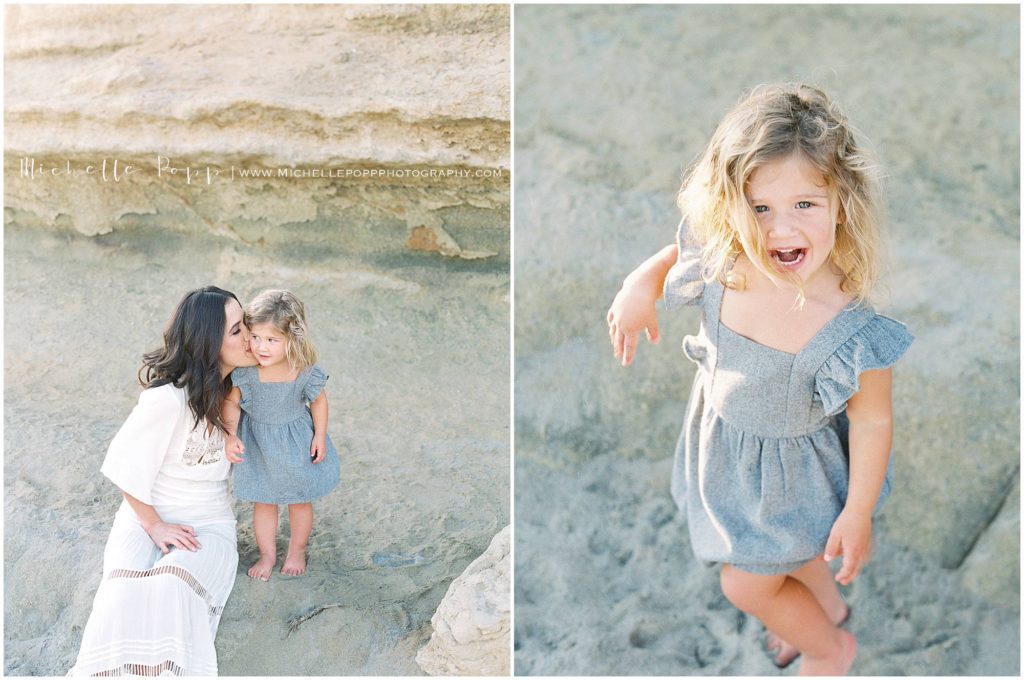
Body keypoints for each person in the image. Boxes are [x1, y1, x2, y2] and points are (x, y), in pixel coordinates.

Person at [606, 84, 913, 675]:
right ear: (729, 204)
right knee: (794, 560)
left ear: (842, 203)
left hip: (798, 480)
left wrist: (859, 512)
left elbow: (873, 418)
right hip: (729, 451)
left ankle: (830, 649)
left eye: (805, 205)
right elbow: (674, 255)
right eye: (760, 207)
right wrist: (638, 287)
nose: (779, 230)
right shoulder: (728, 256)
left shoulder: (849, 327)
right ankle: (825, 607)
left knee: (746, 586)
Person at [70, 286, 258, 676]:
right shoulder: (167, 400)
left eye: (246, 325)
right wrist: (154, 525)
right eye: (237, 330)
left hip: (208, 523)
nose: (250, 337)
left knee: (172, 583)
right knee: (122, 594)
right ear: (210, 341)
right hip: (146, 516)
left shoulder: (239, 391)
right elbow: (124, 467)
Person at [222, 289, 340, 581]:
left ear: (292, 341)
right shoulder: (246, 372)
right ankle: (267, 554)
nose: (262, 347)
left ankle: (296, 549)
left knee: (300, 500)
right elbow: (231, 403)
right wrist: (229, 435)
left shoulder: (302, 371)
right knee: (264, 501)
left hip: (295, 442)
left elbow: (319, 401)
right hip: (259, 446)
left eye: (273, 340)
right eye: (256, 337)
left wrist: (320, 435)